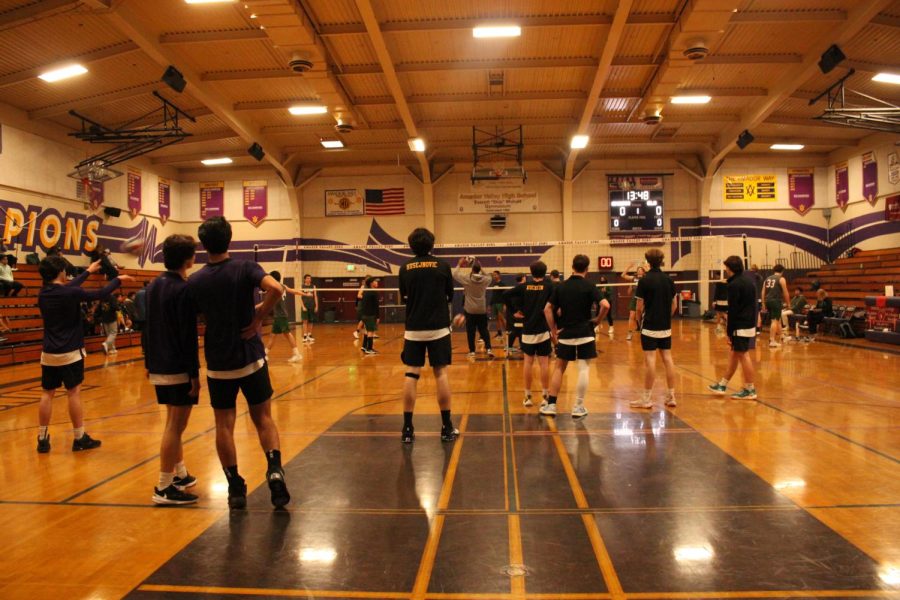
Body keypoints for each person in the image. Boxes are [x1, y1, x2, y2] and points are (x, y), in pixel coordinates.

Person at [187, 216, 290, 509]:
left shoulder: (195, 281)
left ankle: (234, 486)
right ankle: (274, 470)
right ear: (229, 238)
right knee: (263, 419)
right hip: (250, 358)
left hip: (219, 363)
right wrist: (258, 317)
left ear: (203, 245)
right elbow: (277, 289)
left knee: (224, 425)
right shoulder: (245, 267)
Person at [35, 256, 130, 453]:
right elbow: (102, 292)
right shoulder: (69, 292)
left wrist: (88, 271)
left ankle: (42, 438)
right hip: (70, 352)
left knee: (47, 394)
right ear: (61, 271)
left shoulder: (43, 293)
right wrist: (118, 279)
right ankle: (79, 437)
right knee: (74, 393)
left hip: (49, 353)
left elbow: (70, 287)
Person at [144, 235, 202, 505]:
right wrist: (194, 373)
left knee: (172, 423)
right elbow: (187, 336)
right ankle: (164, 487)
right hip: (176, 365)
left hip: (159, 362)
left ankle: (179, 474)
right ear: (188, 258)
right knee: (175, 427)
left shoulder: (154, 285)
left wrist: (148, 363)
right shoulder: (184, 289)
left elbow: (147, 327)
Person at [398, 228, 458, 444]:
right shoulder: (443, 266)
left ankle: (407, 429)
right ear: (432, 245)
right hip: (439, 328)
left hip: (414, 328)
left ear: (411, 245)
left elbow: (404, 296)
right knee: (440, 373)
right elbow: (450, 295)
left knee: (411, 373)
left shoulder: (405, 268)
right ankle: (446, 427)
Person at [543, 254, 601, 419]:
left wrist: (553, 329)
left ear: (572, 267)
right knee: (583, 368)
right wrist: (597, 320)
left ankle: (551, 405)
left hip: (566, 333)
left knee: (560, 367)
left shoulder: (561, 287)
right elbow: (605, 304)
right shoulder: (590, 285)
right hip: (585, 332)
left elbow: (547, 309)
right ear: (587, 269)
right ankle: (578, 406)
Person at [632, 249, 678, 409]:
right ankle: (671, 396)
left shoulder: (644, 281)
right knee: (667, 358)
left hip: (649, 326)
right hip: (665, 326)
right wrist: (666, 318)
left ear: (648, 262)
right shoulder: (668, 280)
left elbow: (639, 308)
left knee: (650, 360)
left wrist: (639, 324)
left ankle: (646, 399)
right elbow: (674, 305)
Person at [504, 261, 554, 408]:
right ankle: (545, 396)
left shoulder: (524, 287)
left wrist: (515, 311)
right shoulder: (550, 286)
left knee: (528, 363)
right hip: (543, 331)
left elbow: (506, 294)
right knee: (544, 363)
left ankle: (527, 396)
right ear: (545, 272)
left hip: (527, 331)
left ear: (531, 272)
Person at [709, 256, 758, 400]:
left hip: (740, 325)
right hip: (748, 322)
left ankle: (750, 389)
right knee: (734, 354)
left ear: (730, 268)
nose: (725, 269)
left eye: (726, 267)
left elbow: (734, 309)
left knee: (743, 355)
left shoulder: (734, 285)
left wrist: (729, 331)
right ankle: (723, 384)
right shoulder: (749, 282)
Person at [453, 257, 494, 358]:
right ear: (479, 269)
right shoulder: (485, 280)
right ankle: (488, 349)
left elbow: (454, 274)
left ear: (472, 270)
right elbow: (490, 276)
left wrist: (459, 264)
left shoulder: (467, 279)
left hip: (470, 310)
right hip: (481, 309)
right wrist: (481, 267)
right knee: (484, 330)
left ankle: (472, 351)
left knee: (470, 331)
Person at [264, 271, 302, 363]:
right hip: (278, 316)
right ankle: (264, 355)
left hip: (281, 315)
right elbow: (294, 291)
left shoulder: (275, 288)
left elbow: (268, 301)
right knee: (273, 336)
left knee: (288, 334)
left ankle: (297, 354)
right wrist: (304, 294)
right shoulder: (282, 286)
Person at [762, 264, 790, 348]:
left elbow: (763, 291)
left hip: (768, 300)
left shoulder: (767, 279)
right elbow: (785, 292)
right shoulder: (781, 279)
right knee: (774, 320)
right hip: (775, 301)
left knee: (778, 319)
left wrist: (763, 303)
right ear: (782, 271)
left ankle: (782, 336)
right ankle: (772, 340)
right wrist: (788, 303)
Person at [621, 262, 646, 341]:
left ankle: (643, 330)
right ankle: (629, 333)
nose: (639, 271)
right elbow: (623, 275)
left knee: (641, 317)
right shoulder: (634, 278)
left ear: (643, 271)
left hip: (643, 299)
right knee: (631, 316)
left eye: (641, 269)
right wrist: (629, 267)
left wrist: (647, 266)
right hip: (634, 299)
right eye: (638, 269)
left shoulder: (646, 278)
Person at [358, 277, 381, 355]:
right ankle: (369, 349)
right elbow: (376, 306)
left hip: (364, 315)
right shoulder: (373, 292)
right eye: (375, 281)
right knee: (370, 332)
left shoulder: (365, 292)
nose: (377, 282)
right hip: (370, 315)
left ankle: (364, 346)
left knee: (366, 331)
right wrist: (378, 317)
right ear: (371, 283)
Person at [505, 274, 526, 353]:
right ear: (523, 278)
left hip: (513, 312)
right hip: (518, 313)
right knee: (516, 329)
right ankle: (510, 346)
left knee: (519, 329)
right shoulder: (522, 289)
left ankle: (521, 346)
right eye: (525, 278)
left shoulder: (514, 289)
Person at [300, 274, 318, 344]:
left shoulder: (313, 286)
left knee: (311, 321)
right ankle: (305, 335)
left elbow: (315, 296)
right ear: (305, 279)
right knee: (305, 321)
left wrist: (316, 306)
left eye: (310, 278)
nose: (309, 279)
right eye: (307, 278)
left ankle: (309, 335)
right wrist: (303, 306)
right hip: (305, 306)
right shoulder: (302, 286)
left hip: (312, 306)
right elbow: (300, 297)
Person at [489, 270, 506, 340]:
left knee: (501, 318)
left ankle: (508, 331)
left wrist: (505, 304)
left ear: (499, 275)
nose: (494, 276)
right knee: (497, 319)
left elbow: (505, 295)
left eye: (495, 275)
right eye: (493, 275)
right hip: (495, 303)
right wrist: (490, 304)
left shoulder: (502, 284)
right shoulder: (493, 284)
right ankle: (499, 333)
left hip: (500, 303)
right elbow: (493, 295)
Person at [748, 263, 764, 334]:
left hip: (754, 298)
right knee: (757, 314)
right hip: (758, 298)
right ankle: (757, 329)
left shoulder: (752, 277)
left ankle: (755, 328)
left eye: (750, 269)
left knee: (755, 314)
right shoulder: (760, 277)